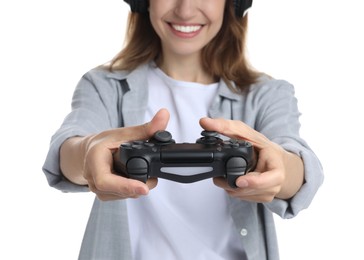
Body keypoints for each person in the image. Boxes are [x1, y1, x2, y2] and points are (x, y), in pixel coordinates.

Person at [43, 0, 324, 259]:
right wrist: (88, 153)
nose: (186, 10)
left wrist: (280, 169)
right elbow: (68, 147)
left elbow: (294, 161)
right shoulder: (104, 85)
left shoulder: (268, 94)